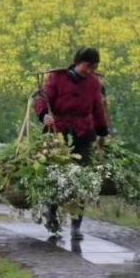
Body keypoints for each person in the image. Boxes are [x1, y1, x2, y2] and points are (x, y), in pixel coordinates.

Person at [34, 47, 110, 240]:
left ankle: (76, 226)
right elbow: (43, 98)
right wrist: (44, 115)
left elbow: (97, 108)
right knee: (57, 176)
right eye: (88, 66)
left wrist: (102, 131)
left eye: (94, 67)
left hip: (83, 132)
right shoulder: (57, 79)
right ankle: (52, 215)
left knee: (81, 178)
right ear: (78, 62)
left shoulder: (93, 83)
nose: (90, 70)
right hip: (58, 131)